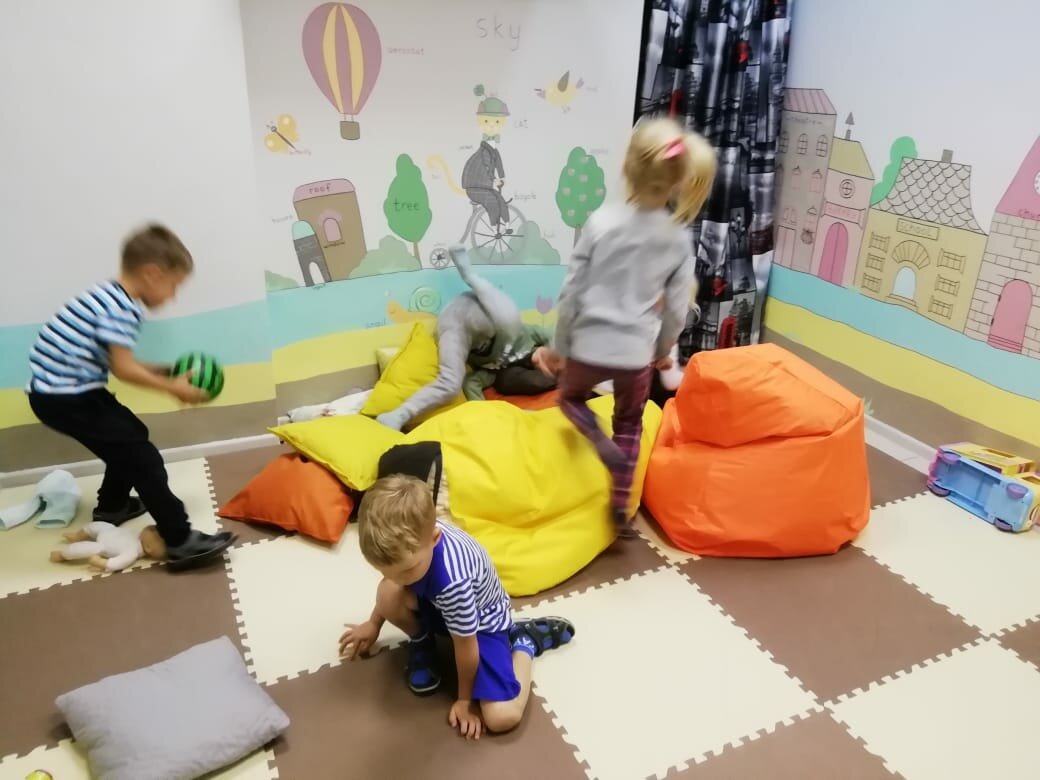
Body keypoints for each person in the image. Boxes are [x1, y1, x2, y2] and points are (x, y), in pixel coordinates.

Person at [543, 117, 717, 538]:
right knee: (629, 424)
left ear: (625, 167)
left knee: (569, 399)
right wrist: (662, 350)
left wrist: (559, 347)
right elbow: (676, 309)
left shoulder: (600, 222)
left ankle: (600, 444)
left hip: (588, 346)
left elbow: (572, 292)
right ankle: (619, 506)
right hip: (636, 354)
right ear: (677, 182)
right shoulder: (677, 239)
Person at [26, 224, 235, 569]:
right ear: (153, 274)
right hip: (69, 398)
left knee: (130, 436)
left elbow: (113, 359)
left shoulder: (106, 296)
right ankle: (180, 539)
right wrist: (174, 388)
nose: (173, 296)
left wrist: (163, 371)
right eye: (174, 286)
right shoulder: (122, 309)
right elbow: (123, 369)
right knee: (144, 459)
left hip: (59, 393)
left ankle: (113, 506)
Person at [339, 467, 574, 739]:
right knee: (388, 593)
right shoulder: (412, 547)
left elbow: (466, 645)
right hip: (439, 604)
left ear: (434, 539)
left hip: (483, 623)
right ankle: (422, 643)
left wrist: (465, 701)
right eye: (385, 571)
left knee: (501, 717)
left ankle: (525, 642)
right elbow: (394, 581)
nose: (397, 578)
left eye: (406, 571)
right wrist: (373, 624)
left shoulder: (454, 584)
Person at [375, 245, 556, 431]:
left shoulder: (508, 326)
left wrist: (550, 353)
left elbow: (549, 334)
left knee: (550, 355)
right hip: (498, 363)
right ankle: (397, 415)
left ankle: (564, 375)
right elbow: (455, 383)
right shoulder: (456, 330)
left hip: (522, 348)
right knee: (457, 382)